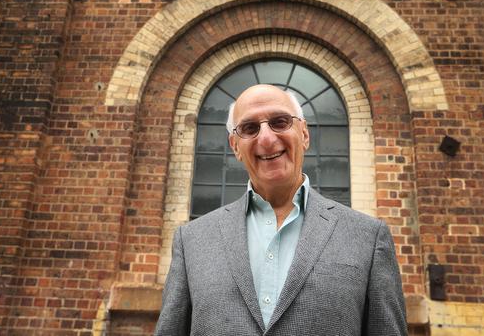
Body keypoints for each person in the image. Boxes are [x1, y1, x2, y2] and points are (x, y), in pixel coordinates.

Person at [155, 84, 407, 335]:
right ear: (234, 146)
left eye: (279, 122)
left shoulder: (368, 237)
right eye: (250, 128)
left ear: (304, 134)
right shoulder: (192, 241)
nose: (266, 138)